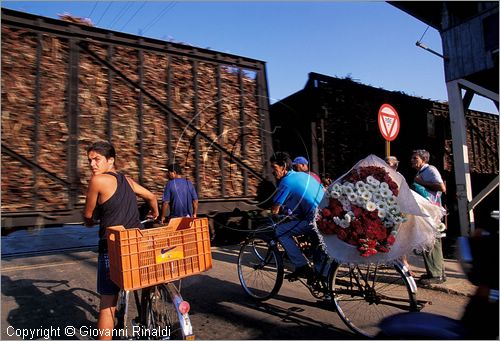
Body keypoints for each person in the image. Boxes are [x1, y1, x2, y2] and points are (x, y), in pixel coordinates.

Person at [83, 141, 159, 340]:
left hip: (113, 247)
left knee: (108, 304)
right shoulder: (127, 180)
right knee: (144, 280)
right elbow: (151, 196)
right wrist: (155, 212)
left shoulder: (97, 181)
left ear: (111, 160)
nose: (92, 164)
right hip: (137, 243)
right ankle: (147, 315)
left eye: (97, 159)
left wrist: (89, 222)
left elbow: (88, 214)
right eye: (90, 160)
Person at [270, 152, 325, 279]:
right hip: (325, 217)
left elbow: (275, 209)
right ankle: (323, 282)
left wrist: (270, 217)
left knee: (281, 231)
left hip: (314, 219)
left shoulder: (286, 182)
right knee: (317, 247)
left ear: (283, 166)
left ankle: (302, 266)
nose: (273, 171)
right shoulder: (306, 176)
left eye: (274, 168)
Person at [410, 149, 447, 285]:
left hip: (432, 212)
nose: (413, 161)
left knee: (431, 241)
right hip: (427, 211)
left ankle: (436, 274)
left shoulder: (430, 170)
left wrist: (420, 182)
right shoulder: (422, 172)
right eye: (413, 158)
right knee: (431, 241)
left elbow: (442, 187)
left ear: (423, 159)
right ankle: (437, 272)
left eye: (416, 158)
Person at [385, 155, 413, 276]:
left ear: (395, 166)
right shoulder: (381, 175)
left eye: (388, 163)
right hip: (385, 210)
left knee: (398, 237)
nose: (386, 165)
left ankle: (404, 264)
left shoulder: (399, 177)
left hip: (397, 211)